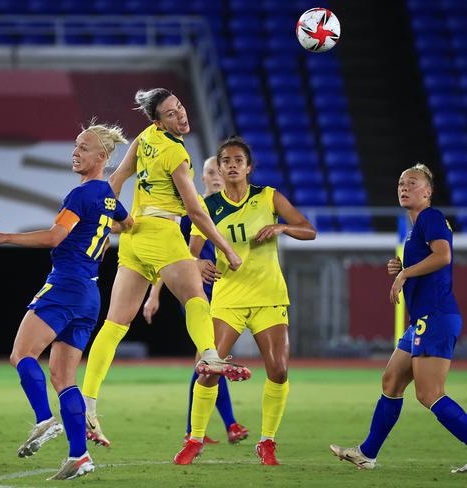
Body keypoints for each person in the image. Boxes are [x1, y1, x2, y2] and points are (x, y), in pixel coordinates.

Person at [81, 88, 249, 449]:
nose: (181, 115)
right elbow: (196, 211)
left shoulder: (145, 138)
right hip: (162, 232)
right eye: (171, 114)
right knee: (194, 298)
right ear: (159, 121)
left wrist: (107, 216)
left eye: (180, 107)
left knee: (114, 324)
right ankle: (210, 355)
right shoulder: (176, 152)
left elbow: (116, 181)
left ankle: (88, 402)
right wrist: (226, 249)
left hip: (134, 235)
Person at [0, 122, 133, 480]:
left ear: (103, 157)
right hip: (90, 295)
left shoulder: (80, 196)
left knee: (21, 355)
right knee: (63, 377)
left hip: (65, 285)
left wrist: (3, 238)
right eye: (76, 146)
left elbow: (53, 237)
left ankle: (45, 420)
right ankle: (80, 456)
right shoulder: (109, 198)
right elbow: (129, 222)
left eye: (84, 147)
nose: (76, 152)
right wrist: (103, 231)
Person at [173, 136, 316, 465]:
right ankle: (195, 439)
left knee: (278, 370)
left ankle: (267, 441)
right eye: (226, 161)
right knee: (208, 370)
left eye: (239, 160)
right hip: (228, 299)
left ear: (249, 167)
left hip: (268, 297)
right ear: (219, 168)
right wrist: (197, 262)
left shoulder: (268, 197)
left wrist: (281, 227)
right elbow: (190, 253)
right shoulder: (208, 208)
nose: (233, 165)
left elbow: (309, 230)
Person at [331, 163, 466, 472]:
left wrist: (404, 273)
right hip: (422, 319)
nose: (404, 187)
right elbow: (430, 261)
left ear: (428, 192)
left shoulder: (430, 217)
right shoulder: (415, 227)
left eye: (413, 182)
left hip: (436, 316)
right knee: (391, 380)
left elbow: (444, 256)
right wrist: (401, 266)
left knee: (430, 394)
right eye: (401, 183)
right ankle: (367, 453)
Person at [142, 156, 249, 445]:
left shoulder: (233, 210)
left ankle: (196, 430)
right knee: (210, 356)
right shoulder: (193, 211)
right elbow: (170, 257)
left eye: (219, 171)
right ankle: (228, 425)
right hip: (197, 292)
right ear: (201, 178)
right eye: (210, 172)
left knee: (208, 358)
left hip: (226, 292)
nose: (216, 176)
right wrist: (154, 294)